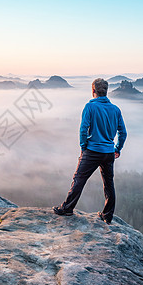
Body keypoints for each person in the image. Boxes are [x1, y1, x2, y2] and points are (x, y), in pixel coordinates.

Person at [53, 78, 127, 224]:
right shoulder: (116, 109)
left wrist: (83, 147)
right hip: (108, 152)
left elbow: (83, 129)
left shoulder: (90, 107)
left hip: (92, 151)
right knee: (108, 184)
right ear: (106, 91)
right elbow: (123, 133)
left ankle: (67, 208)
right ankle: (107, 215)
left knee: (79, 179)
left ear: (93, 91)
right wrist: (117, 149)